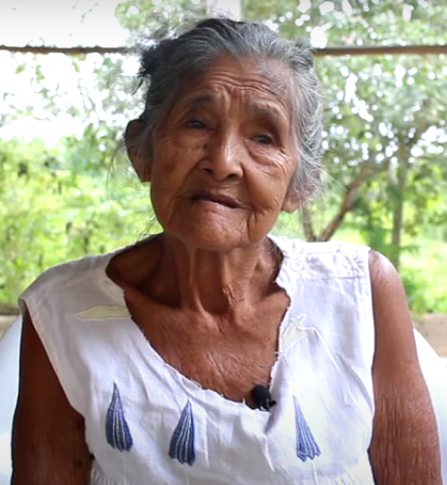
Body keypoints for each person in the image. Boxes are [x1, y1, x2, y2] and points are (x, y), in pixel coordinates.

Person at [11, 17, 442, 485]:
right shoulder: (65, 311)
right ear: (142, 150)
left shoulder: (359, 292)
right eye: (197, 123)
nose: (223, 162)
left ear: (299, 184)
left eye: (263, 137)